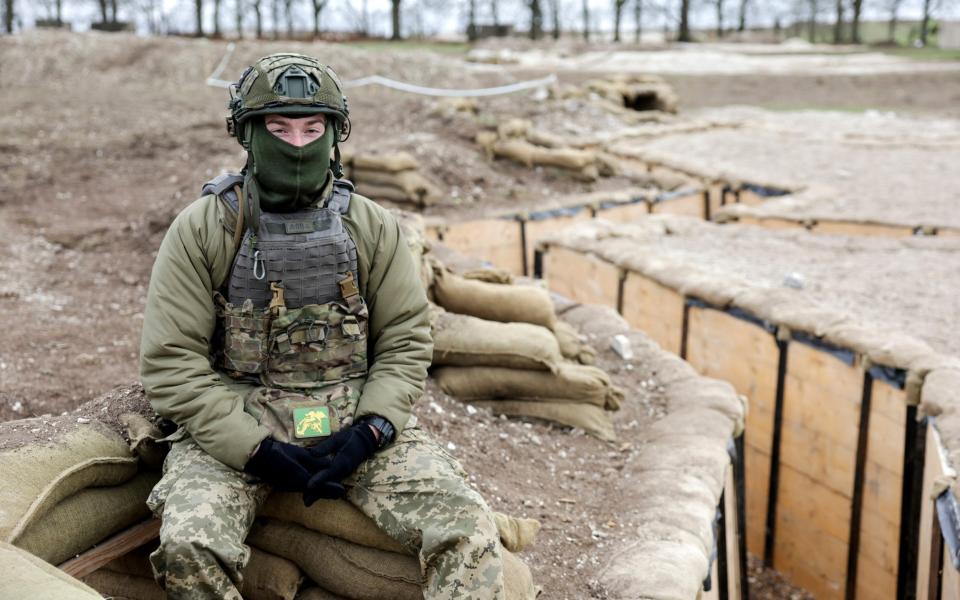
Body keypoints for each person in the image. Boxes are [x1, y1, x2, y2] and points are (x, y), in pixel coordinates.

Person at [140, 53, 504, 600]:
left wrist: (374, 428)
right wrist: (256, 449)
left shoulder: (371, 225)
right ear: (246, 133)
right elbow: (172, 363)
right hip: (240, 415)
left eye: (314, 128)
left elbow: (406, 339)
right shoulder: (205, 228)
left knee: (468, 529)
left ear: (336, 134)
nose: (298, 144)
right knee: (190, 546)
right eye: (278, 128)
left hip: (352, 409)